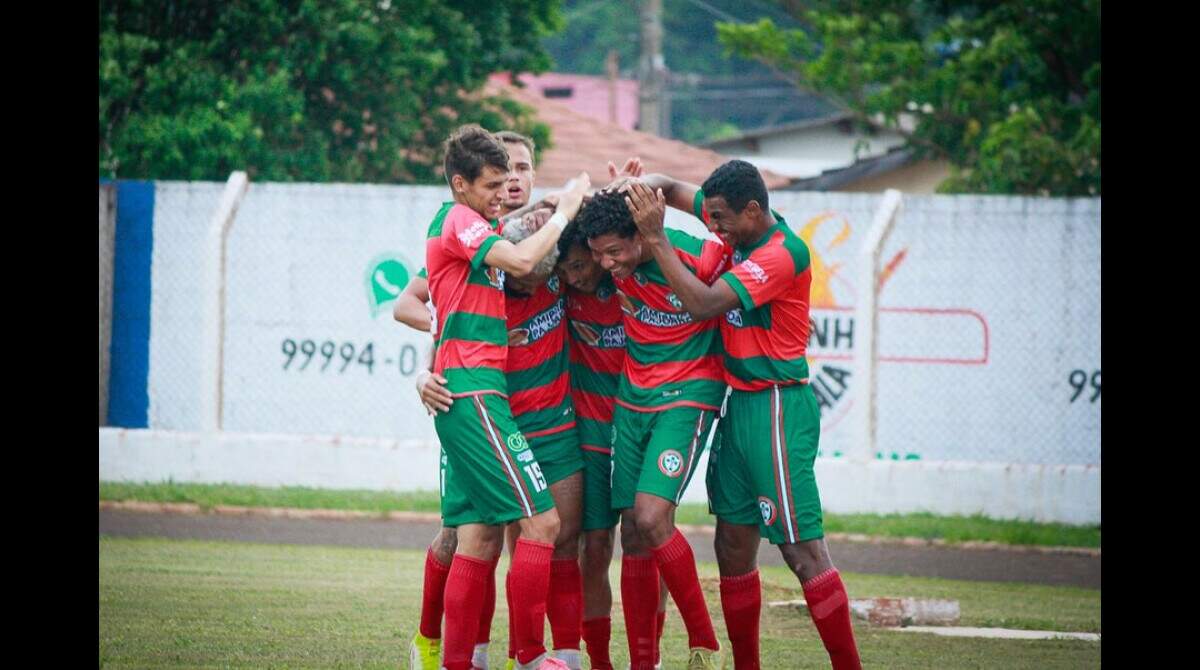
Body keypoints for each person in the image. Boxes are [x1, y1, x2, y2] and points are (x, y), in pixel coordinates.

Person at [622, 160, 862, 669]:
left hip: (776, 405)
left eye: (721, 219)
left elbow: (706, 304)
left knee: (801, 552)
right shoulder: (731, 220)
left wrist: (656, 238)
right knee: (732, 546)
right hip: (740, 403)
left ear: (753, 210)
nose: (713, 228)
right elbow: (667, 186)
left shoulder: (781, 253)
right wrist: (630, 192)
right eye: (710, 217)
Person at [424, 124, 588, 670]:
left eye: (512, 177)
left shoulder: (478, 222)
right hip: (473, 395)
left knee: (477, 541)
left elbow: (454, 306)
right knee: (542, 525)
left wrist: (498, 336)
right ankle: (532, 657)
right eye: (492, 182)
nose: (502, 191)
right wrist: (564, 212)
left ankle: (456, 663)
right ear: (460, 184)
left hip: (471, 387)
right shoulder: (460, 221)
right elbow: (519, 263)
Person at [576, 190, 728, 670]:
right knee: (634, 532)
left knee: (651, 516)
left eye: (613, 252)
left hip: (686, 396)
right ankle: (646, 663)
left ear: (640, 234)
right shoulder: (608, 265)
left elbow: (745, 280)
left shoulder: (693, 252)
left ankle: (706, 645)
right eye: (597, 253)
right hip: (632, 400)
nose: (604, 263)